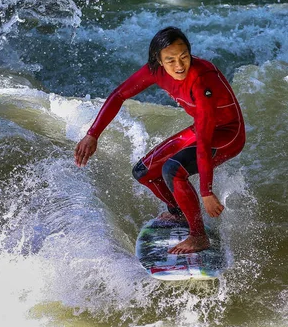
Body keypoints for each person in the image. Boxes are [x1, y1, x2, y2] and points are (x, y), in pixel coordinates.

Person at [74, 27, 245, 254]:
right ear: (159, 60)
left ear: (190, 53)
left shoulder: (203, 81)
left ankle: (198, 235)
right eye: (171, 60)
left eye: (184, 56)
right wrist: (93, 133)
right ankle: (180, 213)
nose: (180, 65)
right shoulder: (155, 71)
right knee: (144, 172)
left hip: (227, 134)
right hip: (202, 128)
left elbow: (204, 142)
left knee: (173, 169)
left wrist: (206, 191)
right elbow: (119, 95)